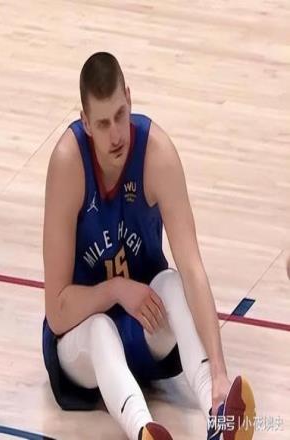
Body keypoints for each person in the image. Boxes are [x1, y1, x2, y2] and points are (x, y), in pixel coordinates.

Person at [41, 52, 255, 440]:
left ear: (129, 97)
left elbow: (192, 268)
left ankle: (218, 407)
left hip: (145, 325)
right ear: (85, 122)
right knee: (100, 329)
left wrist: (221, 369)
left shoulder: (157, 154)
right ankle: (144, 431)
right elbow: (57, 313)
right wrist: (116, 289)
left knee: (172, 282)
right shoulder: (68, 163)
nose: (116, 135)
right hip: (80, 343)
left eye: (120, 115)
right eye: (102, 123)